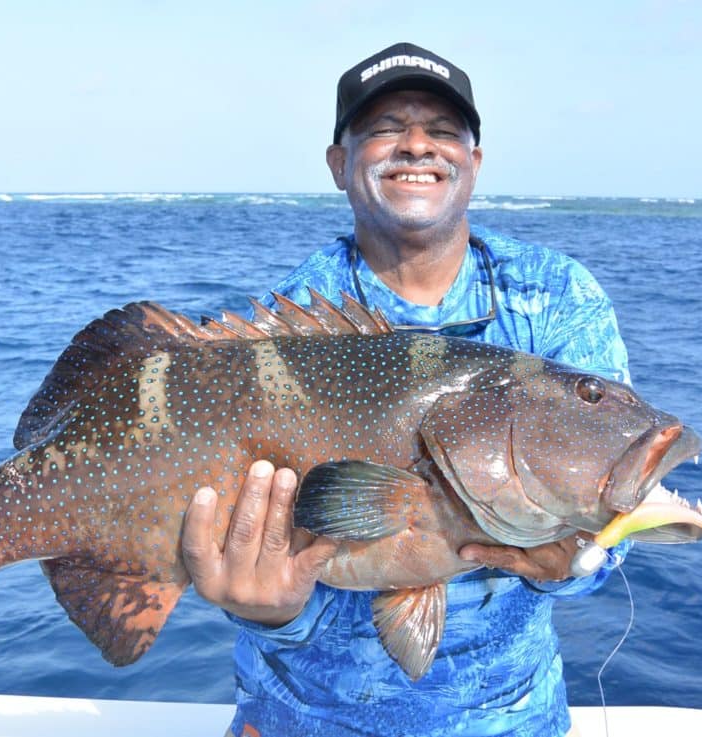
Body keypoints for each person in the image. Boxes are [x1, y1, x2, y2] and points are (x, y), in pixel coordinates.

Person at [181, 42, 631, 737]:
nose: (417, 145)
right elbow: (282, 556)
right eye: (386, 127)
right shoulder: (294, 320)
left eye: (444, 130)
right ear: (339, 162)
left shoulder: (557, 299)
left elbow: (609, 537)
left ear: (473, 164)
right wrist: (267, 607)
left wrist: (579, 557)